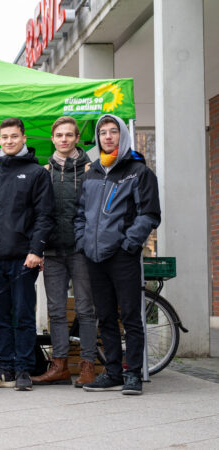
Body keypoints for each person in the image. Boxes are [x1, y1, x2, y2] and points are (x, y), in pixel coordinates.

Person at [76, 114, 160, 395]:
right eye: (103, 132)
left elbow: (149, 214)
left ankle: (133, 374)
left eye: (114, 131)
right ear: (98, 138)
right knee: (106, 317)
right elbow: (80, 215)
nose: (108, 136)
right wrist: (83, 242)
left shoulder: (139, 172)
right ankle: (112, 372)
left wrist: (129, 244)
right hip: (94, 256)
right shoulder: (92, 173)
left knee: (131, 317)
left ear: (123, 135)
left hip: (123, 256)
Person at [0, 118, 54, 391]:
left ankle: (23, 369)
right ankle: (4, 368)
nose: (8, 141)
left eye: (13, 136)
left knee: (22, 315)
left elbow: (45, 216)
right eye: (4, 137)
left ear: (23, 138)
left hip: (24, 259)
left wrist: (36, 250)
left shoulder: (37, 173)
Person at [31, 117, 97, 388]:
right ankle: (59, 366)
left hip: (81, 250)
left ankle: (88, 366)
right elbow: (37, 213)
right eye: (59, 135)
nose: (64, 139)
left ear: (77, 138)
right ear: (52, 138)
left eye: (69, 135)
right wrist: (38, 249)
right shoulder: (43, 171)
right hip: (53, 253)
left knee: (85, 309)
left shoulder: (91, 170)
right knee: (56, 310)